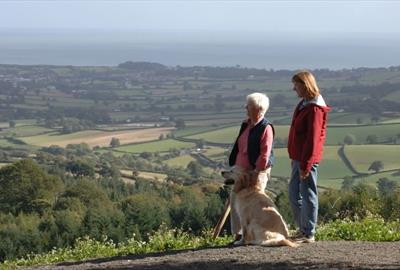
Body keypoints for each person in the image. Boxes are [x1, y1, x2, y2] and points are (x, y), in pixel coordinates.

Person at [288, 71, 331, 243]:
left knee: (308, 194)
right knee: (294, 194)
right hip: (298, 158)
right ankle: (303, 229)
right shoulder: (304, 104)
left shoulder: (314, 108)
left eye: (296, 85)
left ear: (305, 85)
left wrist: (306, 164)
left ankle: (308, 232)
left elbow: (312, 140)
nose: (294, 89)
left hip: (306, 159)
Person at [227, 92, 275, 243]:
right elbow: (240, 146)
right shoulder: (246, 124)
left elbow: (265, 154)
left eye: (248, 106)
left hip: (256, 172)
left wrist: (255, 173)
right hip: (241, 171)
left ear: (258, 109)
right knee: (235, 199)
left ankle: (256, 233)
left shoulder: (265, 128)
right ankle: (240, 234)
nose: (245, 108)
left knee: (254, 202)